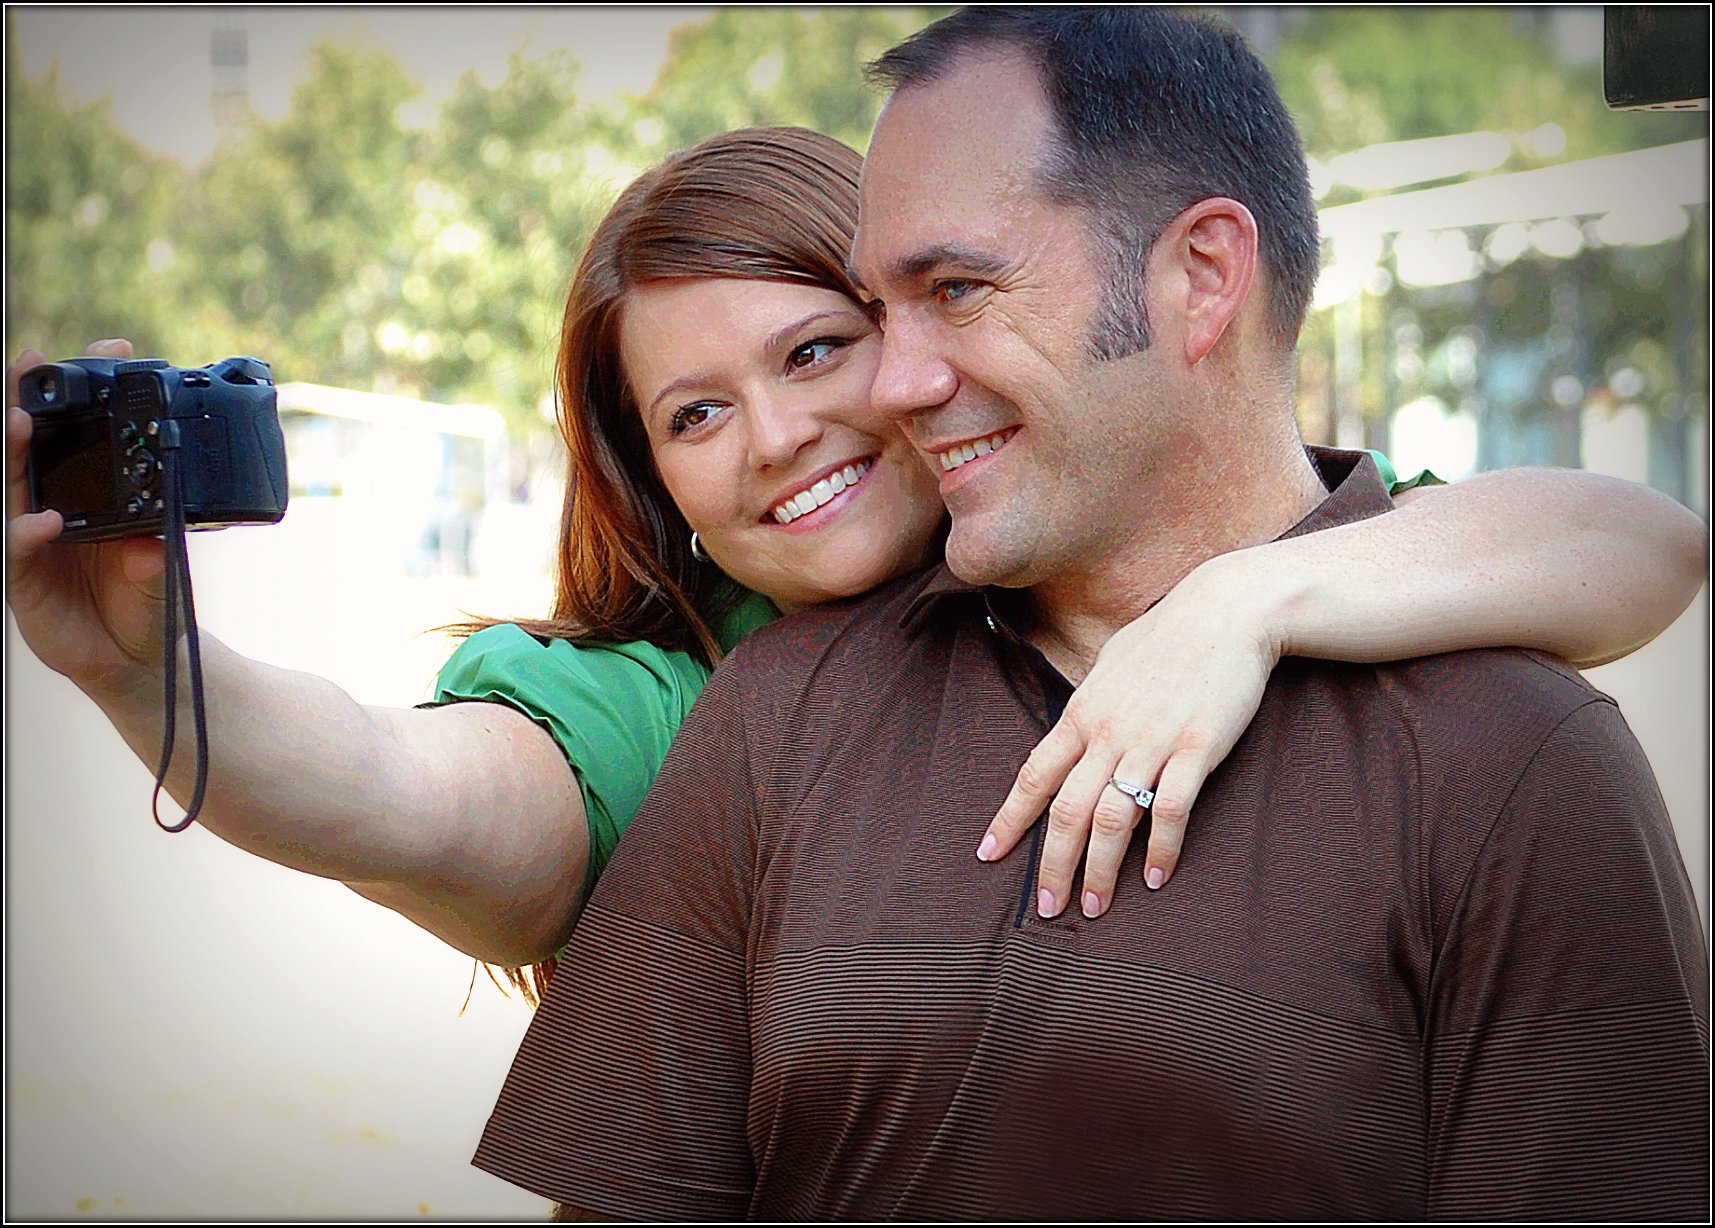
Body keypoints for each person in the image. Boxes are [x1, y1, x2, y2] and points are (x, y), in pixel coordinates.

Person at [472, 11, 1710, 1221]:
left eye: (956, 289)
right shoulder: (779, 707)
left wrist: (1242, 603)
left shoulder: (1513, 759)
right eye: (876, 312)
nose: (890, 385)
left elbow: (1640, 537)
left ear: (1200, 276)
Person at [5, 129, 1700, 1001]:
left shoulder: (1127, 551)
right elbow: (409, 792)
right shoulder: (686, 694)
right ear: (654, 476)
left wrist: (1242, 603)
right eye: (695, 412)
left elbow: (1633, 539)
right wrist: (148, 671)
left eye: (814, 352)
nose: (777, 437)